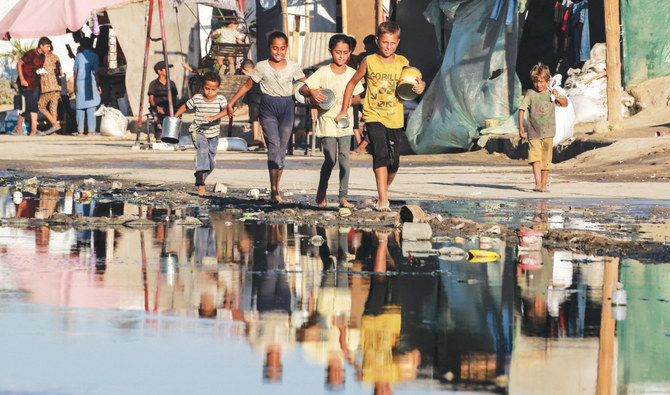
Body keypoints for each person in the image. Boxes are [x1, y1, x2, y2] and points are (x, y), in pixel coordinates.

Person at [336, 22, 425, 212]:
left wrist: (421, 86)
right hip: (373, 115)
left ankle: (383, 190)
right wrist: (344, 109)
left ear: (398, 42)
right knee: (381, 153)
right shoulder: (369, 61)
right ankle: (383, 199)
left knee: (394, 163)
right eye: (385, 42)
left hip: (395, 117)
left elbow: (415, 81)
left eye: (392, 43)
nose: (388, 47)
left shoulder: (402, 62)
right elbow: (352, 84)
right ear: (378, 41)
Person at [214, 31, 306, 204]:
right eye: (275, 48)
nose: (279, 52)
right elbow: (247, 85)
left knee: (282, 149)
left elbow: (304, 85)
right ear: (269, 48)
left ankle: (277, 186)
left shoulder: (293, 66)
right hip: (268, 108)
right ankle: (273, 190)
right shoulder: (262, 66)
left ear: (286, 49)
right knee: (273, 146)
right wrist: (231, 103)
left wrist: (314, 100)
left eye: (282, 48)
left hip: (287, 107)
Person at [299, 34, 364, 208]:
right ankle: (322, 191)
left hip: (345, 121)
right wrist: (313, 92)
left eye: (345, 52)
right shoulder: (323, 72)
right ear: (330, 52)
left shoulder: (352, 73)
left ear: (350, 53)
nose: (341, 56)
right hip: (326, 121)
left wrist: (352, 101)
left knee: (344, 158)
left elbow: (358, 97)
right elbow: (303, 89)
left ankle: (343, 196)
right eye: (337, 52)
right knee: (330, 159)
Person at [174, 72, 228, 197]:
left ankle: (200, 175)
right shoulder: (197, 98)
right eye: (207, 88)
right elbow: (185, 106)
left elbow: (226, 110)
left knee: (211, 162)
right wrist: (175, 117)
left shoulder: (221, 99)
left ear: (218, 89)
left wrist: (214, 117)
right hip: (198, 131)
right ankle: (201, 185)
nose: (210, 92)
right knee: (202, 150)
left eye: (213, 89)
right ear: (203, 87)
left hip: (213, 134)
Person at [518, 63, 568, 192]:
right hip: (534, 132)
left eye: (541, 82)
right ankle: (538, 183)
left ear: (548, 81)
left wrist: (557, 95)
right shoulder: (530, 94)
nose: (538, 85)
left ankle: (544, 184)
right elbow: (522, 109)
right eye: (536, 82)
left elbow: (565, 103)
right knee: (535, 158)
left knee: (546, 159)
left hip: (548, 133)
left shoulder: (551, 94)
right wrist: (521, 127)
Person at [13, 36, 50, 136]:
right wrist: (22, 79)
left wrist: (41, 73)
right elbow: (19, 64)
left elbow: (37, 69)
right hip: (25, 84)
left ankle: (34, 130)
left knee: (34, 106)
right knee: (24, 107)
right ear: (41, 46)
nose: (49, 49)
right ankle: (18, 127)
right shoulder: (30, 53)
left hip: (35, 84)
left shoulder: (43, 57)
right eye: (47, 47)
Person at [73, 37, 101, 136]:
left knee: (80, 107)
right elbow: (96, 72)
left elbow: (75, 72)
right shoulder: (95, 56)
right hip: (90, 83)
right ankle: (91, 131)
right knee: (91, 107)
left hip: (79, 84)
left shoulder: (78, 56)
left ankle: (80, 131)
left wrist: (74, 85)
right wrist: (98, 84)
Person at [148, 60, 178, 139]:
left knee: (172, 116)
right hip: (157, 107)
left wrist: (170, 107)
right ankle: (158, 136)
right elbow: (151, 99)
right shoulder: (153, 84)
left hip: (169, 106)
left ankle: (171, 136)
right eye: (166, 69)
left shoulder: (171, 83)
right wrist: (156, 107)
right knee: (156, 116)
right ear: (159, 71)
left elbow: (174, 98)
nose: (168, 71)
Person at [239, 59, 265, 149]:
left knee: (255, 119)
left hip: (254, 99)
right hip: (263, 97)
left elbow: (246, 88)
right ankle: (265, 141)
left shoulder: (249, 77)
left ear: (245, 69)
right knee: (262, 119)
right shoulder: (259, 73)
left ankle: (256, 138)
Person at [38, 43, 63, 135]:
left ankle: (55, 124)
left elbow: (39, 71)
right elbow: (60, 72)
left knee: (41, 106)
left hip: (47, 86)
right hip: (57, 86)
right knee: (53, 108)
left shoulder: (41, 58)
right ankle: (54, 129)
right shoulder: (56, 57)